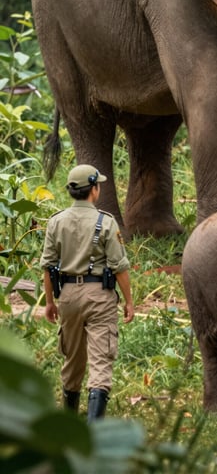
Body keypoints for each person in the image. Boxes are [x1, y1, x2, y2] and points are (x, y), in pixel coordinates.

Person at [40, 164, 134, 422]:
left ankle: (70, 420)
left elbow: (48, 267)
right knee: (101, 360)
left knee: (72, 358)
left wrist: (50, 302)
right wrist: (128, 301)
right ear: (94, 189)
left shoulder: (56, 221)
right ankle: (95, 428)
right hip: (99, 296)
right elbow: (119, 267)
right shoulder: (106, 221)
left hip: (68, 295)